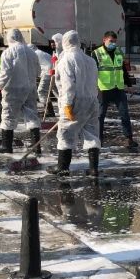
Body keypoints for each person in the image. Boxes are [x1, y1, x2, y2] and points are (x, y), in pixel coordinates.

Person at [47, 30, 101, 177]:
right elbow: (94, 82)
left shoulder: (66, 60)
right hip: (91, 101)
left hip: (75, 101)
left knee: (65, 133)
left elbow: (68, 85)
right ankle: (93, 168)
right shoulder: (90, 60)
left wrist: (67, 104)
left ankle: (62, 168)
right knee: (91, 134)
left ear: (65, 42)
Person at [0, 29, 41, 154]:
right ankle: (37, 147)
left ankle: (7, 146)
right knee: (32, 116)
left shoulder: (8, 52)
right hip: (30, 89)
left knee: (8, 116)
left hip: (13, 89)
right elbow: (38, 72)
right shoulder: (32, 52)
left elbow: (5, 72)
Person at [92, 31, 137, 149]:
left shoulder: (118, 52)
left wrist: (129, 85)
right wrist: (92, 87)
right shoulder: (96, 53)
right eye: (111, 41)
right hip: (103, 89)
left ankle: (129, 139)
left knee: (124, 114)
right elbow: (92, 72)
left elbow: (123, 70)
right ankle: (98, 140)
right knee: (100, 116)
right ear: (104, 40)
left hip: (118, 88)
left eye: (115, 42)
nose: (113, 44)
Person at [28, 43, 55, 116]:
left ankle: (49, 111)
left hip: (47, 73)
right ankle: (50, 110)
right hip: (54, 72)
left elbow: (35, 67)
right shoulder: (42, 52)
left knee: (41, 92)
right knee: (56, 92)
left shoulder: (34, 54)